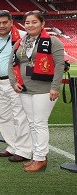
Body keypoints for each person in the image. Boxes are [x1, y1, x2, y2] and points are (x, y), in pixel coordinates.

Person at [8, 11, 65, 172]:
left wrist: (55, 87)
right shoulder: (20, 42)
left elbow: (59, 65)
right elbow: (11, 64)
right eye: (27, 22)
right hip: (25, 89)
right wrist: (13, 82)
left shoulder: (53, 41)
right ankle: (38, 156)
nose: (30, 25)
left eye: (34, 22)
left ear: (42, 24)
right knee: (32, 123)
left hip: (44, 89)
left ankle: (40, 158)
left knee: (39, 123)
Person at [0, 10, 31, 162]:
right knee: (3, 116)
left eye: (5, 22)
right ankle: (13, 146)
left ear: (11, 22)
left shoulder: (22, 36)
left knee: (19, 116)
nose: (1, 26)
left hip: (16, 82)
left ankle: (24, 150)